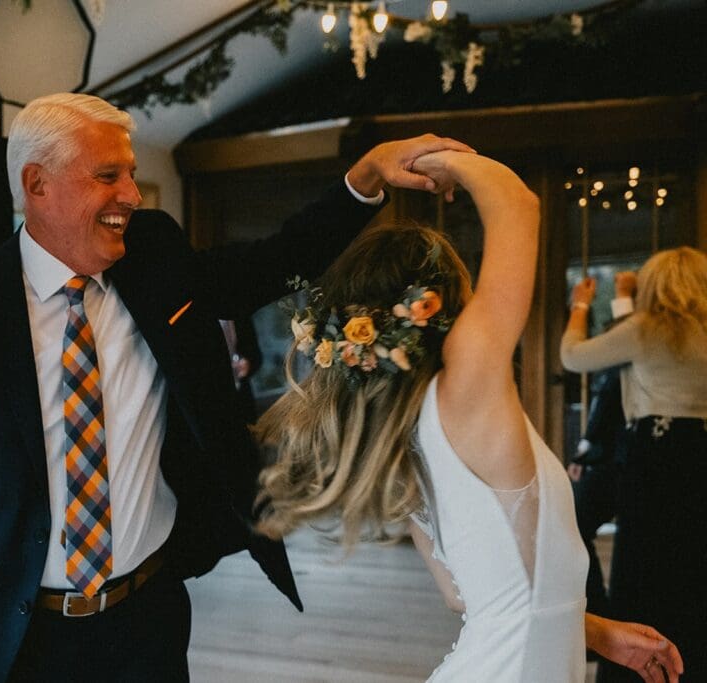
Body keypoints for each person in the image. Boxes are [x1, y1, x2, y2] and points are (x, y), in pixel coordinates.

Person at [0, 92, 476, 682]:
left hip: (145, 624)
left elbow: (267, 264)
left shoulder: (154, 257)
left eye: (131, 173)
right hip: (4, 638)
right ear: (37, 184)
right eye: (109, 175)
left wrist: (364, 179)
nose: (132, 194)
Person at [254, 150, 684, 682]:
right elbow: (517, 204)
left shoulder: (404, 430)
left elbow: (469, 594)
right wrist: (441, 158)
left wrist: (594, 631)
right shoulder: (464, 393)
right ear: (444, 305)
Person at [562, 247, 707, 683]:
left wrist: (581, 306)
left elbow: (572, 356)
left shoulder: (649, 328)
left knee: (636, 557)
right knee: (691, 562)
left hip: (653, 451)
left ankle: (617, 637)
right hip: (699, 452)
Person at [567, 271, 635, 617]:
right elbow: (600, 415)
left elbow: (604, 411)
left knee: (575, 528)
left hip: (620, 464)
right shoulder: (616, 366)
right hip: (613, 461)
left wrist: (583, 303)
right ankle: (600, 610)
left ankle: (598, 612)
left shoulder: (627, 359)